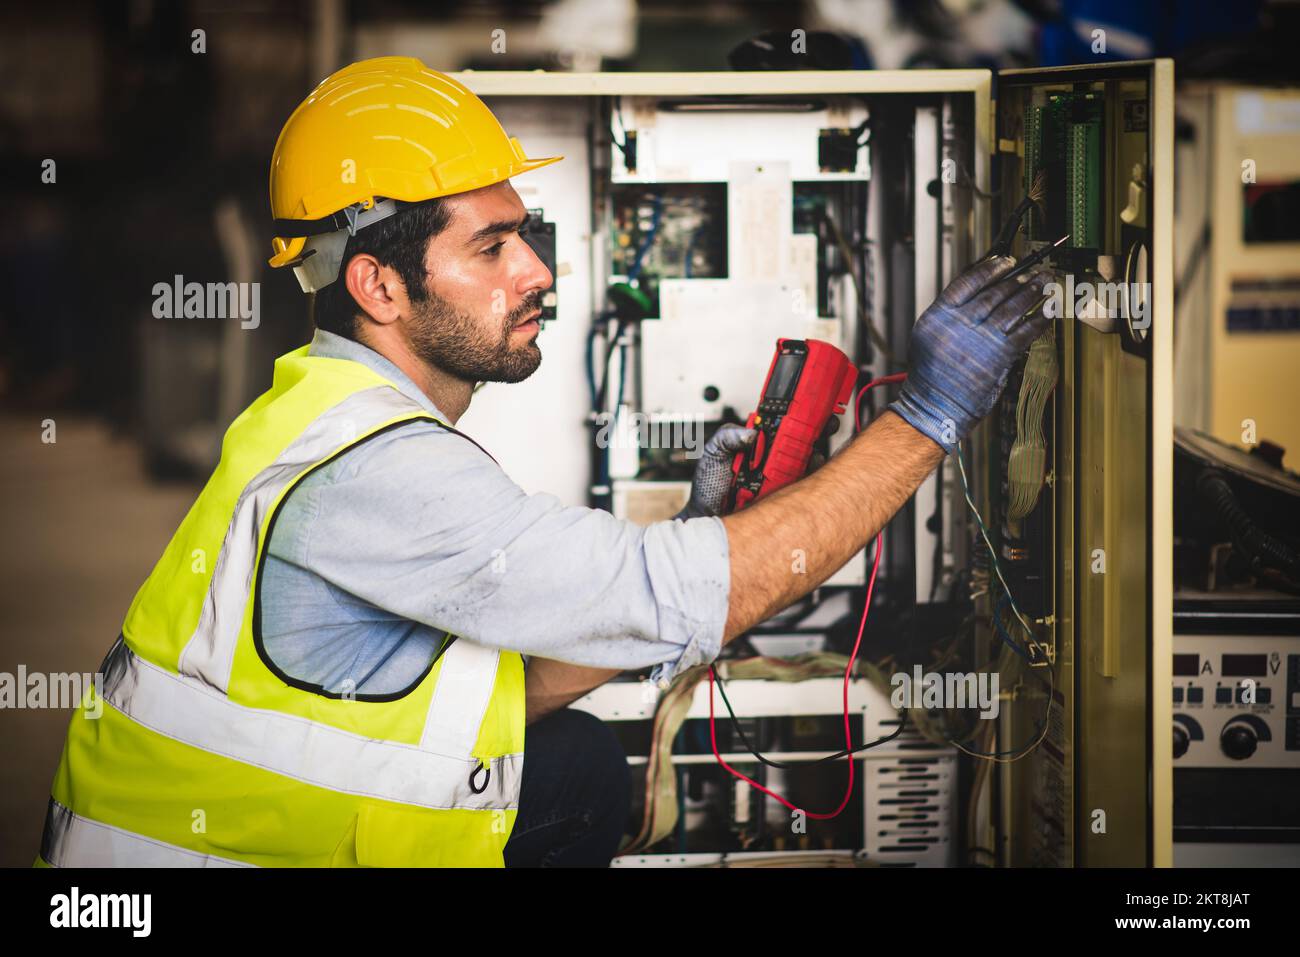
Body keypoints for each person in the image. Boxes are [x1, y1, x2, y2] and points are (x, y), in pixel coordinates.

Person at [38, 57, 1050, 869]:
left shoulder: (319, 404)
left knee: (567, 769)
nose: (535, 271)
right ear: (378, 285)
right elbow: (690, 591)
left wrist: (692, 548)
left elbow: (473, 691)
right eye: (490, 249)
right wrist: (928, 415)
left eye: (524, 235)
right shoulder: (379, 475)